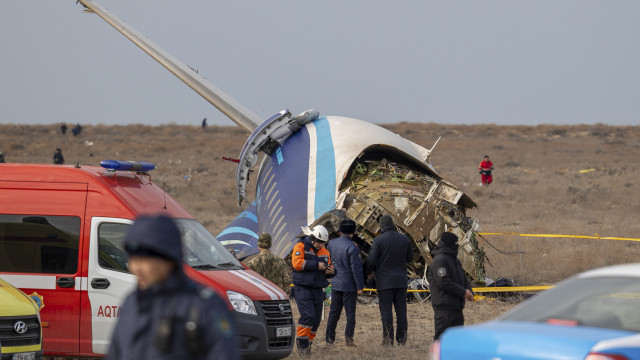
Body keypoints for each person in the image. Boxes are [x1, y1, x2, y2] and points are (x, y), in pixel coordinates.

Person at [106, 215, 239, 360]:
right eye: (132, 259)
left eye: (143, 260)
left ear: (169, 259)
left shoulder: (205, 307)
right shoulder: (131, 303)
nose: (135, 268)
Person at [366, 215, 412, 346]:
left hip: (384, 282)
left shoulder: (378, 240)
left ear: (382, 226)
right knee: (401, 312)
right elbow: (409, 258)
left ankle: (388, 340)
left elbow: (371, 260)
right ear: (393, 224)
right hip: (401, 281)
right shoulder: (404, 239)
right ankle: (402, 340)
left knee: (386, 312)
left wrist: (369, 272)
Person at [291, 225, 335, 355]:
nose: (319, 245)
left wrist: (331, 271)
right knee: (308, 316)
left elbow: (328, 268)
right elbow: (297, 264)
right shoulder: (300, 247)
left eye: (322, 243)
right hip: (303, 288)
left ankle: (308, 344)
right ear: (312, 238)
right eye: (318, 242)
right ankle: (302, 346)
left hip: (317, 289)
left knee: (316, 319)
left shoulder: (325, 252)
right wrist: (317, 265)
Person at [427, 231, 474, 341]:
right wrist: (463, 292)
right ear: (449, 244)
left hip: (456, 307)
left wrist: (469, 290)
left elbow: (463, 278)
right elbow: (443, 282)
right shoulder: (440, 260)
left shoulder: (455, 260)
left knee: (456, 342)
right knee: (441, 340)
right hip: (444, 308)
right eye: (456, 242)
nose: (458, 245)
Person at [325, 219, 364, 347]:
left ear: (340, 231)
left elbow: (329, 260)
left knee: (333, 313)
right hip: (349, 286)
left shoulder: (331, 243)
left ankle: (329, 339)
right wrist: (360, 286)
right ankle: (349, 338)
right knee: (350, 313)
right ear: (353, 232)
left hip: (336, 283)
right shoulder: (353, 247)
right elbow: (356, 268)